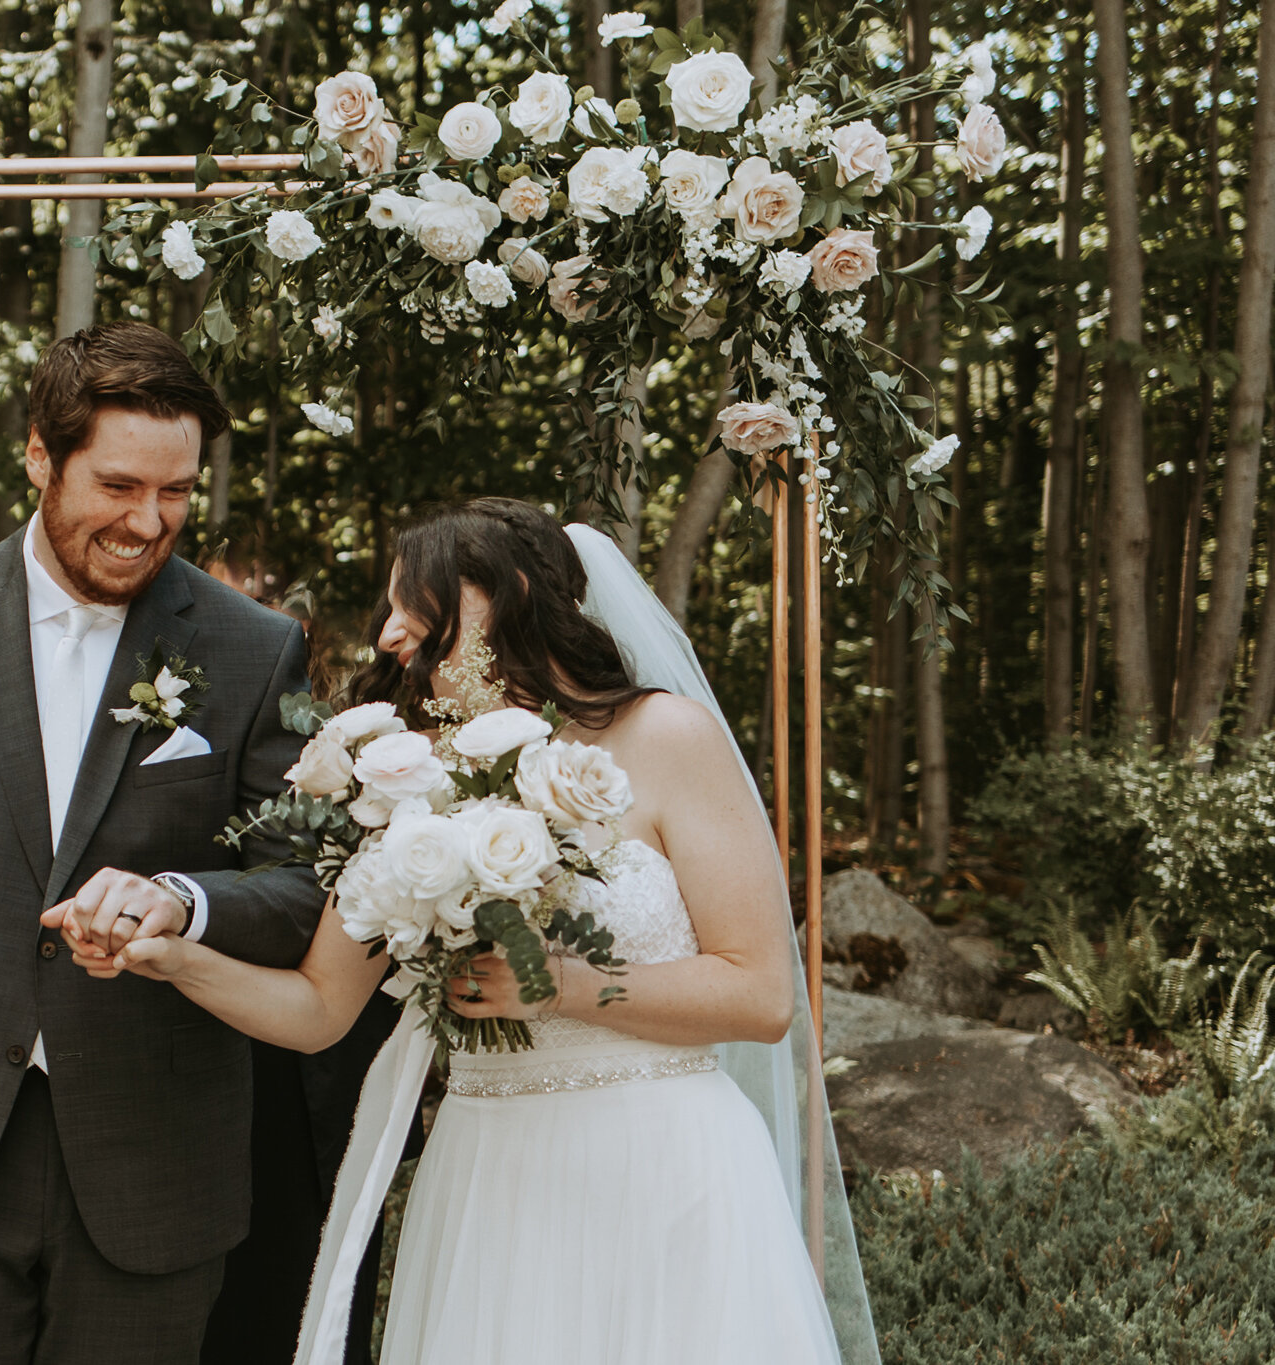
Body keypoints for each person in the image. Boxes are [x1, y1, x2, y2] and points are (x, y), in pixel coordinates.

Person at [49, 497, 873, 1363]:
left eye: (419, 601)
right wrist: (177, 959)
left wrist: (562, 983)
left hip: (664, 1165)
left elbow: (760, 991)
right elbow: (318, 1005)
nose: (393, 634)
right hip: (492, 1180)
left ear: (508, 592)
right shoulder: (409, 780)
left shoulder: (668, 735)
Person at [0, 321, 328, 1363]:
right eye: (118, 487)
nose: (147, 521)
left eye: (174, 493)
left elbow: (305, 879)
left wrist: (185, 899)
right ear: (39, 454)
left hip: (154, 1161)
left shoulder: (253, 649)